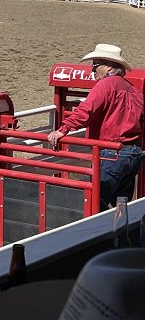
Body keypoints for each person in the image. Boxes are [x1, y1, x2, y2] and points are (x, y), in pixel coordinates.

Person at [48, 44, 143, 211]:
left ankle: (100, 235)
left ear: (108, 66)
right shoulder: (133, 90)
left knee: (93, 203)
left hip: (112, 153)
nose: (93, 70)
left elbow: (86, 110)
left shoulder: (106, 85)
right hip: (133, 153)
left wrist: (63, 129)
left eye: (95, 65)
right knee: (121, 206)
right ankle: (120, 236)